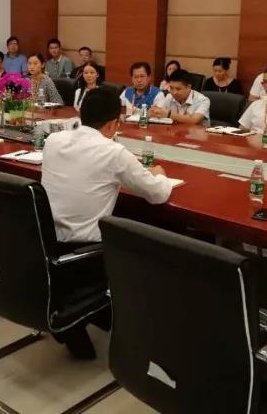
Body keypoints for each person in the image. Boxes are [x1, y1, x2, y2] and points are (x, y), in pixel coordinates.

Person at [41, 87, 173, 359]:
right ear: (113, 124)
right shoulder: (113, 152)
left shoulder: (53, 140)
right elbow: (157, 194)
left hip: (46, 242)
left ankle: (92, 313)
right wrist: (159, 174)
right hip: (86, 253)